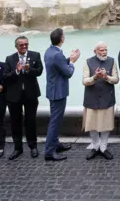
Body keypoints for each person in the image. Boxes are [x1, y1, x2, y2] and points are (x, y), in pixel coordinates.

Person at [3, 36, 43, 160]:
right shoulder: (10, 59)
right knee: (15, 122)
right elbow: (5, 76)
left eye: (26, 44)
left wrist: (29, 69)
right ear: (16, 46)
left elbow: (39, 71)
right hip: (14, 96)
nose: (24, 47)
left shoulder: (35, 55)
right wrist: (17, 71)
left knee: (31, 121)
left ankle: (33, 146)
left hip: (31, 94)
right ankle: (17, 148)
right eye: (21, 45)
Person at [44, 28, 80, 161]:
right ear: (62, 39)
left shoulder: (50, 51)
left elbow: (57, 65)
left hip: (52, 90)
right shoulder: (57, 54)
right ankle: (49, 151)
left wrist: (68, 58)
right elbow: (68, 73)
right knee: (55, 122)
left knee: (55, 120)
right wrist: (72, 62)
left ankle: (55, 144)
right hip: (58, 92)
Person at [82, 42, 119, 161]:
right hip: (91, 98)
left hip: (107, 98)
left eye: (105, 50)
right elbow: (84, 81)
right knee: (92, 124)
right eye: (101, 50)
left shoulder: (112, 61)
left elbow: (116, 79)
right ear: (95, 51)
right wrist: (95, 77)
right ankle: (96, 146)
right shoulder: (87, 62)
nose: (104, 52)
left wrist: (106, 77)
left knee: (106, 124)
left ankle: (103, 147)